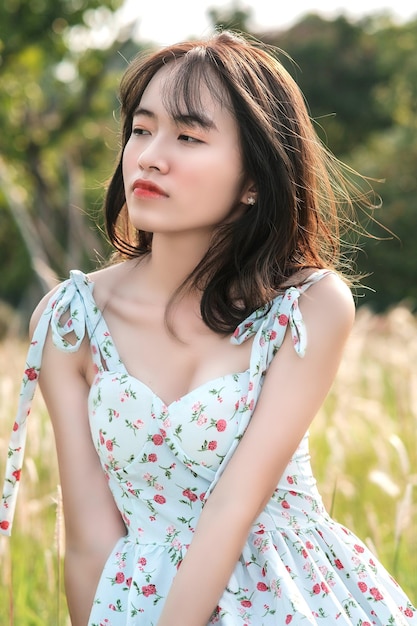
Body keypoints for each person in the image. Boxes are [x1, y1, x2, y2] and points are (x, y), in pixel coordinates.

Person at [1, 30, 415, 626]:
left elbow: (232, 509)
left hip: (289, 596)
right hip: (133, 605)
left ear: (254, 179)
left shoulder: (307, 307)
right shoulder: (70, 320)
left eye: (189, 136)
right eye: (142, 130)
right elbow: (90, 538)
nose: (150, 155)